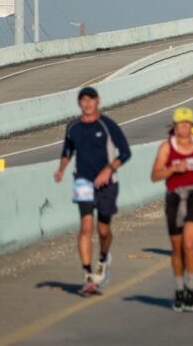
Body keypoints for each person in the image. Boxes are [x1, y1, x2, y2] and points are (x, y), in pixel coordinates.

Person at [54, 86, 132, 294]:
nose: (87, 104)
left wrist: (108, 171)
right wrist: (61, 169)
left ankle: (104, 258)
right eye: (83, 100)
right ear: (79, 103)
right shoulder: (73, 127)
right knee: (86, 226)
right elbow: (67, 150)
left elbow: (125, 153)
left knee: (104, 230)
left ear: (98, 102)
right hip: (83, 181)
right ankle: (88, 276)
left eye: (91, 100)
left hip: (108, 183)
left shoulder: (107, 125)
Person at [150, 107, 193, 312]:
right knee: (177, 249)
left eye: (188, 124)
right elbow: (155, 175)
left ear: (192, 125)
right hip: (175, 197)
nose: (184, 128)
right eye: (180, 124)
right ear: (175, 126)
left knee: (189, 243)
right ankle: (179, 289)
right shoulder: (166, 148)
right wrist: (173, 169)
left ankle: (192, 288)